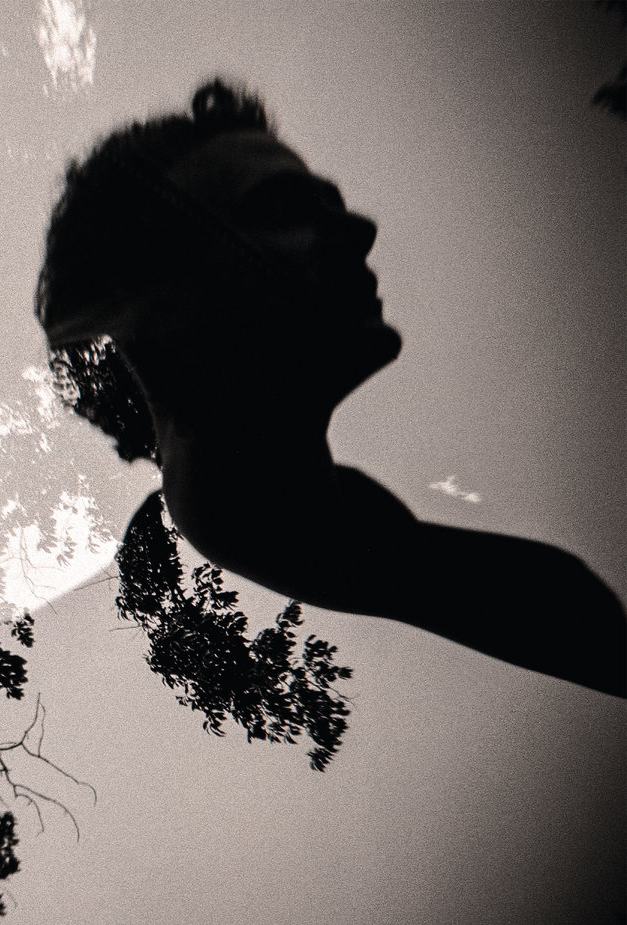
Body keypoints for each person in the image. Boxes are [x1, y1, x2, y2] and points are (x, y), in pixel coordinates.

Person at [36, 78, 626, 697]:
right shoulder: (241, 506)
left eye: (331, 203)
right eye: (283, 209)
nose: (360, 228)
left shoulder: (335, 522)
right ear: (156, 302)